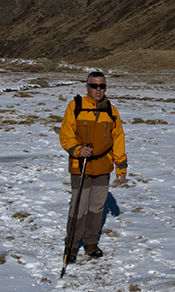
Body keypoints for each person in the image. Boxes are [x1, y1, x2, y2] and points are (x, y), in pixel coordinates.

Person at [59, 71, 127, 263]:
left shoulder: (111, 110)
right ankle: (71, 246)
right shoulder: (76, 106)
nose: (98, 90)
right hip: (80, 165)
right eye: (94, 85)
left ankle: (90, 243)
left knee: (97, 207)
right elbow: (66, 134)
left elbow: (118, 139)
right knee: (78, 207)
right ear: (87, 87)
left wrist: (121, 166)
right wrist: (77, 149)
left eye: (102, 86)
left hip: (103, 166)